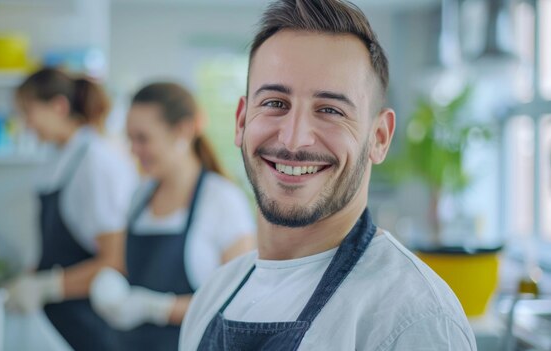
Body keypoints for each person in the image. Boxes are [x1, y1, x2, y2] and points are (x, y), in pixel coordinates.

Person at [180, 1, 477, 350]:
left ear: (379, 137)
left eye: (330, 110)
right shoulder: (213, 296)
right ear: (241, 121)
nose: (293, 139)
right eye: (275, 103)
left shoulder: (414, 318)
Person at [90, 82, 256, 351]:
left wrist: (157, 308)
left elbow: (238, 302)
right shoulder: (139, 197)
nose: (134, 150)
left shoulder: (222, 200)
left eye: (143, 138)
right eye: (130, 138)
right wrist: (108, 282)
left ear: (183, 130)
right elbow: (122, 266)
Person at [7, 67, 137, 351]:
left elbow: (115, 259)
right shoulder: (59, 158)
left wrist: (46, 287)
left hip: (90, 323)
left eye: (28, 112)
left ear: (58, 106)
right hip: (60, 322)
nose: (26, 123)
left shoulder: (95, 160)